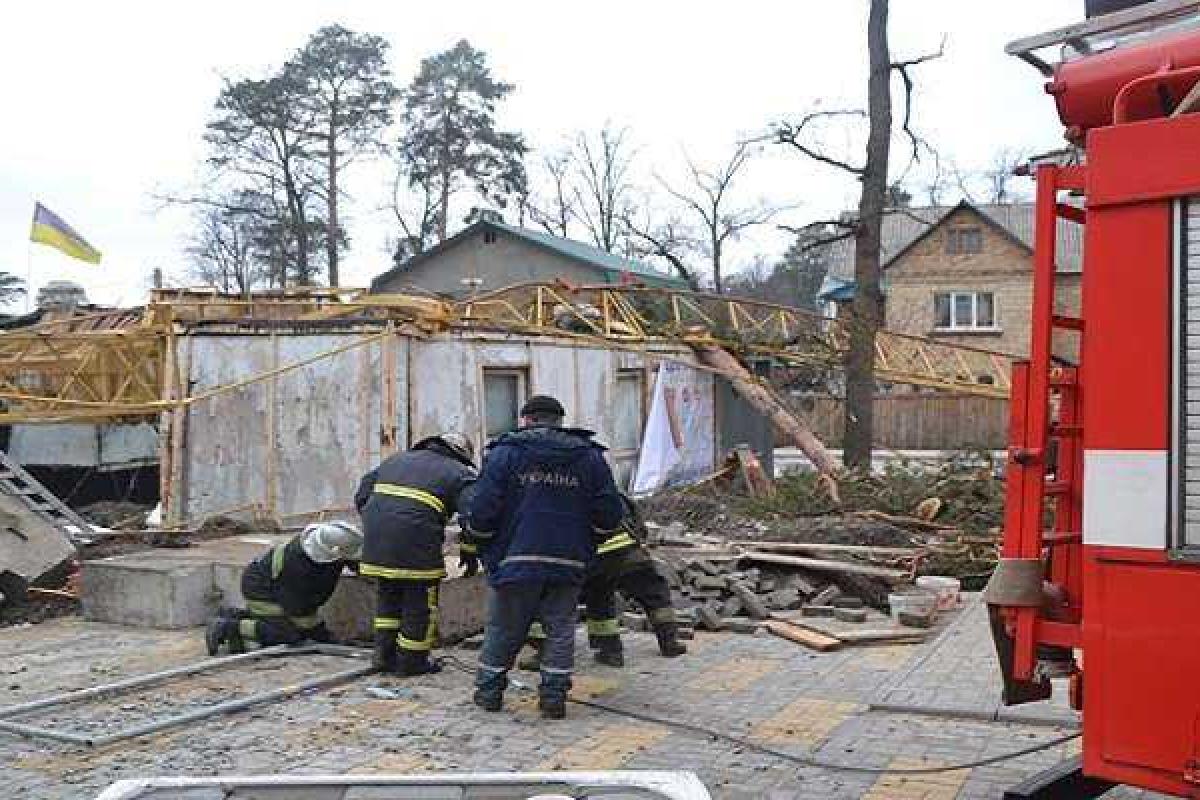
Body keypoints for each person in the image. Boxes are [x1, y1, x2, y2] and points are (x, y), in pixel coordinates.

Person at [466, 394, 625, 719]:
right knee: (561, 628)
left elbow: (482, 510)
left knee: (503, 629)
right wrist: (587, 542)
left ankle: (490, 693)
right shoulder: (590, 457)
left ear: (525, 419)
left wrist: (483, 544)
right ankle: (553, 698)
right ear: (560, 421)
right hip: (568, 561)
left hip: (513, 560)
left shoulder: (505, 454)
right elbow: (610, 513)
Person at [355, 432, 476, 676]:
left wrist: (380, 525)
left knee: (388, 598)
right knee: (419, 603)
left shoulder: (395, 460)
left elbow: (362, 496)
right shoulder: (459, 473)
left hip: (377, 544)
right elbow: (474, 514)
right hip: (416, 545)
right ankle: (412, 662)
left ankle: (383, 656)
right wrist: (470, 549)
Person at [523, 492, 686, 670]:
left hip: (591, 559)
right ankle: (667, 643)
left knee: (557, 599)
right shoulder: (608, 487)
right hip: (628, 553)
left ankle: (548, 654)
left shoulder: (559, 492)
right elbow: (636, 518)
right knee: (653, 596)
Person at [205, 521, 362, 656]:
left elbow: (352, 559)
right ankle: (227, 627)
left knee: (298, 629)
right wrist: (322, 635)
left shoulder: (325, 545)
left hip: (274, 584)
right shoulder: (300, 567)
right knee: (288, 635)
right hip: (261, 590)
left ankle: (234, 615)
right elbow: (298, 610)